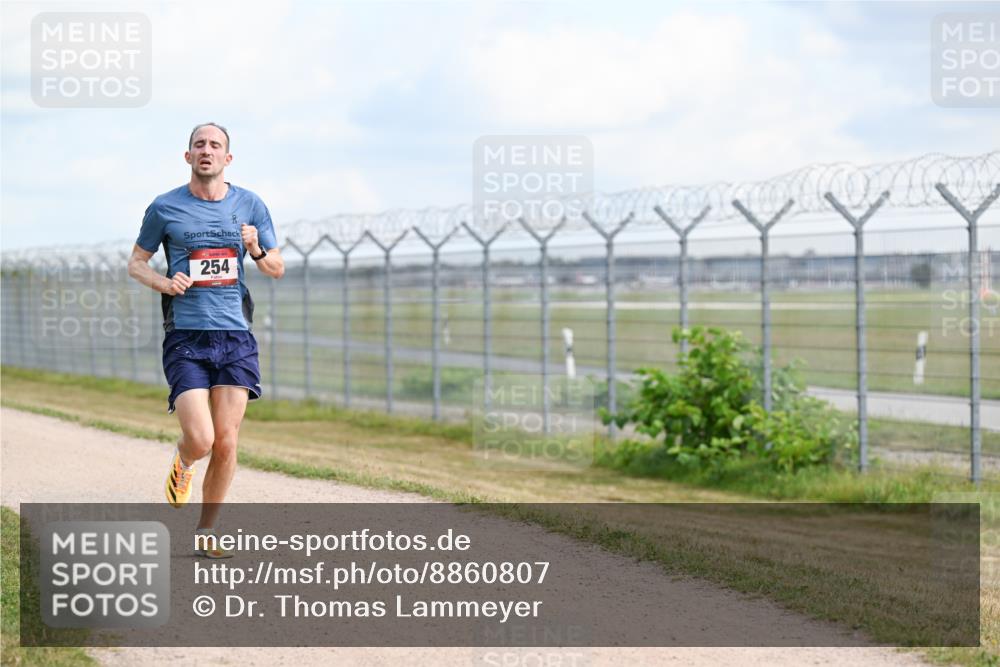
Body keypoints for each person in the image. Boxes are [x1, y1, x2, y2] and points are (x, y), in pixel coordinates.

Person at [127, 122, 284, 558]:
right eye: (199, 145)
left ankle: (207, 531)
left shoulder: (250, 204)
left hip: (235, 334)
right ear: (188, 156)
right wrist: (164, 282)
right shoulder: (165, 207)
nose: (207, 150)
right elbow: (136, 263)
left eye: (215, 145)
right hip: (187, 335)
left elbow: (276, 267)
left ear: (227, 158)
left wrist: (256, 249)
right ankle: (184, 461)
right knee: (201, 439)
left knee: (227, 440)